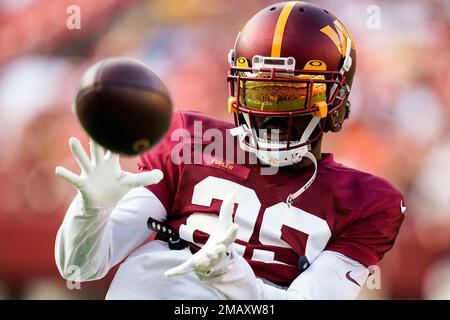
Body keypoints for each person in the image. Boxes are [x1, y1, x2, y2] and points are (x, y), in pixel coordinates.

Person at [54, 1, 405, 299]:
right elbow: (81, 265)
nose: (271, 114)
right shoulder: (187, 140)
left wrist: (231, 276)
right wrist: (91, 210)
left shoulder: (369, 202)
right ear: (237, 89)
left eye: (288, 96)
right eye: (260, 94)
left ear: (336, 98)